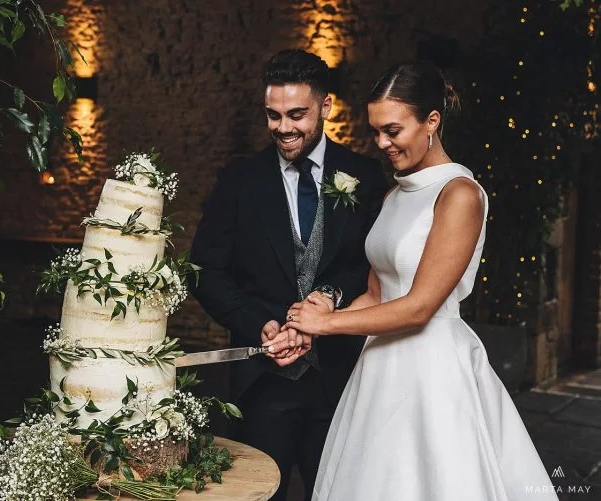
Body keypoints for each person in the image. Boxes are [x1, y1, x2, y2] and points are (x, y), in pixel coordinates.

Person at [265, 61, 559, 501]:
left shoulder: (459, 194)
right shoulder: (393, 194)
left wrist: (325, 324)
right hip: (379, 365)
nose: (382, 143)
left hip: (432, 372)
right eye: (376, 131)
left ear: (431, 122)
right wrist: (305, 329)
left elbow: (421, 307)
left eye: (393, 130)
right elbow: (377, 293)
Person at [189, 49, 388, 501]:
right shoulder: (238, 181)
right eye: (273, 115)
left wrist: (332, 296)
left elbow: (374, 263)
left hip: (341, 378)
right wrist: (256, 323)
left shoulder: (365, 175)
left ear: (326, 107)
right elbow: (207, 270)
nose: (283, 127)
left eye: (296, 114)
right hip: (263, 385)